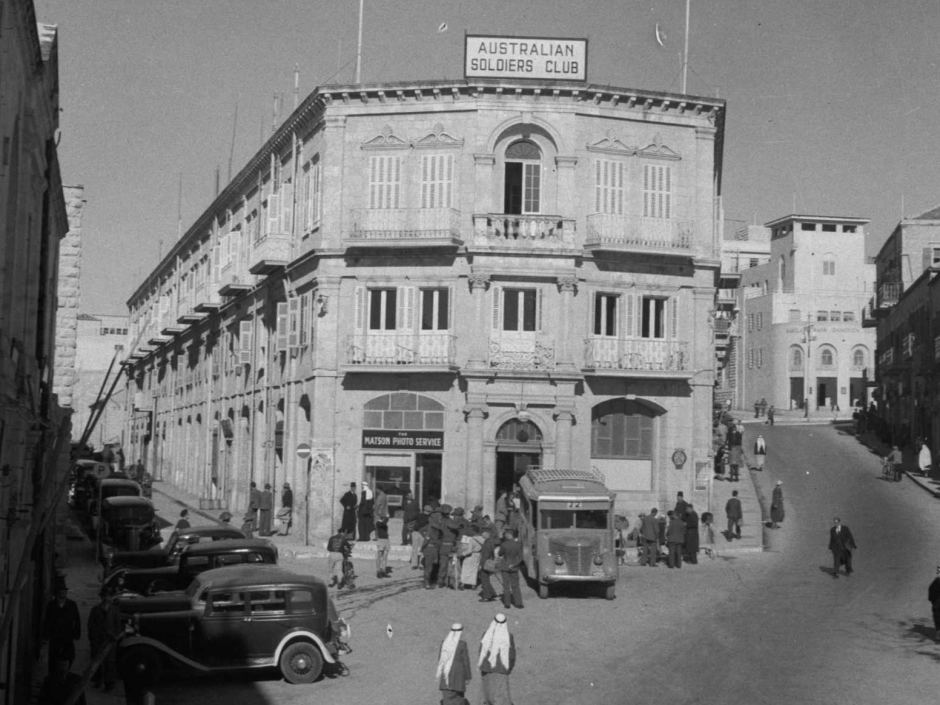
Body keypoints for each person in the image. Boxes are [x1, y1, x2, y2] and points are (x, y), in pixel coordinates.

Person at [87, 588, 122, 691]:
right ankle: (98, 680)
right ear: (101, 597)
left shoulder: (114, 610)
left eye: (109, 596)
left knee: (110, 662)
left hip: (110, 640)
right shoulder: (95, 609)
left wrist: (115, 636)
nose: (107, 598)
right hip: (98, 640)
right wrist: (92, 638)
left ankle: (109, 683)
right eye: (105, 596)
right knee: (96, 661)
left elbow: (118, 625)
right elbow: (90, 625)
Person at [42, 582, 81, 672]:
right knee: (53, 658)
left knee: (69, 656)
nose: (63, 593)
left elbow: (77, 620)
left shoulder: (72, 605)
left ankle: (65, 674)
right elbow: (47, 621)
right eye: (61, 591)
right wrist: (46, 635)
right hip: (55, 636)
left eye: (64, 591)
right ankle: (53, 677)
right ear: (57, 593)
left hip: (67, 635)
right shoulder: (51, 605)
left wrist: (76, 633)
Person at [478, 613, 516, 705]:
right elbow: (511, 655)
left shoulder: (486, 634)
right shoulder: (508, 636)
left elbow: (481, 651)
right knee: (501, 696)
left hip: (486, 668)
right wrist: (509, 668)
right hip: (501, 669)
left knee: (488, 694)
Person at [436, 623, 472, 705]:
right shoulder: (462, 644)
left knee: (447, 698)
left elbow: (440, 659)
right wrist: (468, 677)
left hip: (446, 676)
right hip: (459, 677)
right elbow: (466, 662)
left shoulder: (444, 643)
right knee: (458, 699)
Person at [498, 528, 524, 609]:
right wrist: (514, 564)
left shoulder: (504, 544)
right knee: (515, 585)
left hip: (505, 566)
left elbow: (500, 554)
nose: (505, 535)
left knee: (506, 586)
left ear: (509, 535)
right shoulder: (518, 544)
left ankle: (507, 604)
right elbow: (520, 557)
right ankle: (519, 603)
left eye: (506, 534)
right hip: (514, 567)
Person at [478, 528, 499, 602]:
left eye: (482, 533)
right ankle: (492, 593)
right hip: (489, 562)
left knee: (484, 580)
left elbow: (485, 556)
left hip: (485, 563)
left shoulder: (487, 543)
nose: (481, 535)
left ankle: (487, 596)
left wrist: (481, 565)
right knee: (486, 579)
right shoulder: (491, 541)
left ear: (487, 534)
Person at [411, 505, 430, 570]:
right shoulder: (429, 517)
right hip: (420, 533)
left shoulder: (418, 515)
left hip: (417, 532)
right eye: (428, 511)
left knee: (416, 549)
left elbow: (410, 519)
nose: (428, 512)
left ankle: (415, 564)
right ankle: (419, 564)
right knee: (421, 548)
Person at [928, 566, 940, 642]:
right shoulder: (936, 582)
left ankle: (938, 634)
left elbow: (931, 594)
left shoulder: (935, 582)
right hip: (937, 603)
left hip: (937, 603)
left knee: (937, 618)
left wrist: (933, 601)